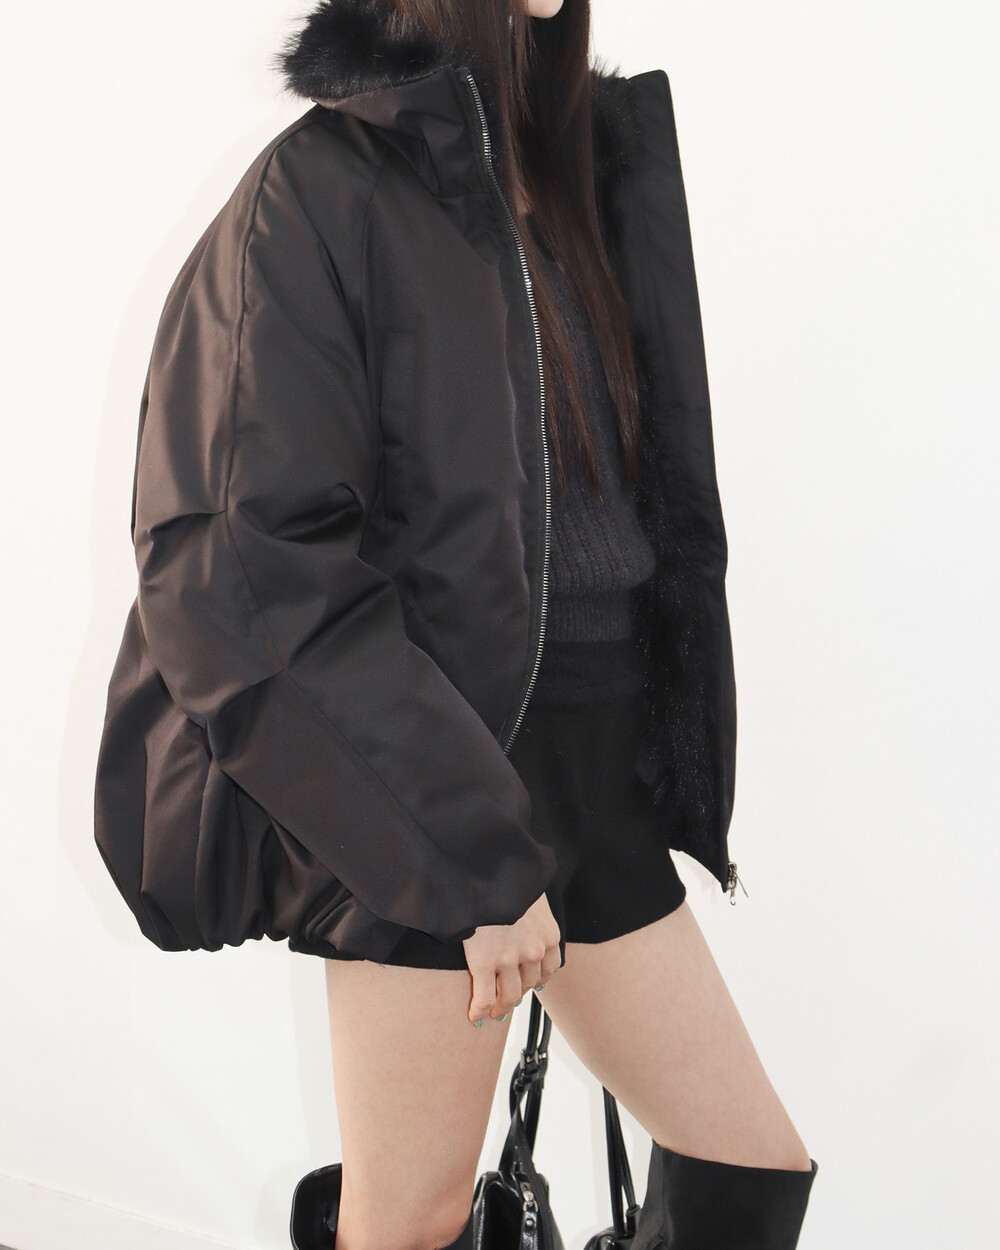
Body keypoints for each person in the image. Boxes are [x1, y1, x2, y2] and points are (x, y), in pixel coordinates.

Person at [93, 2, 819, 1248]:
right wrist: (465, 857)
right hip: (426, 780)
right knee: (410, 1220)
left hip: (595, 767)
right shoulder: (317, 194)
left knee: (744, 1176)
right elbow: (245, 572)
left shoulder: (574, 160)